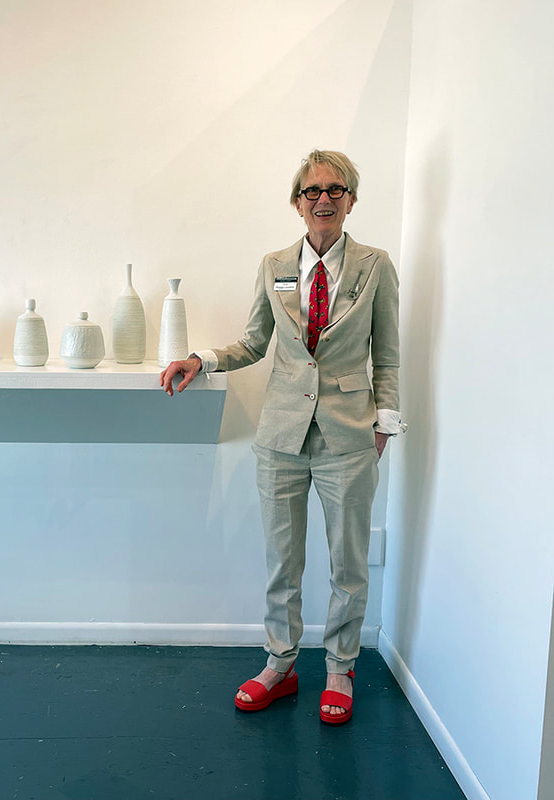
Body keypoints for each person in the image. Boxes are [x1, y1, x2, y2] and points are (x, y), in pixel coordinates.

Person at [160, 150, 404, 725]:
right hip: (281, 437)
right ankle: (281, 664)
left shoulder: (376, 265)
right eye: (312, 190)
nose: (324, 199)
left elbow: (387, 352)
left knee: (348, 561)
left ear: (350, 200)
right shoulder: (274, 264)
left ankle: (340, 669)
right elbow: (254, 340)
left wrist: (384, 422)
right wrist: (204, 359)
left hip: (349, 436)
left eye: (336, 190)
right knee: (282, 559)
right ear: (297, 201)